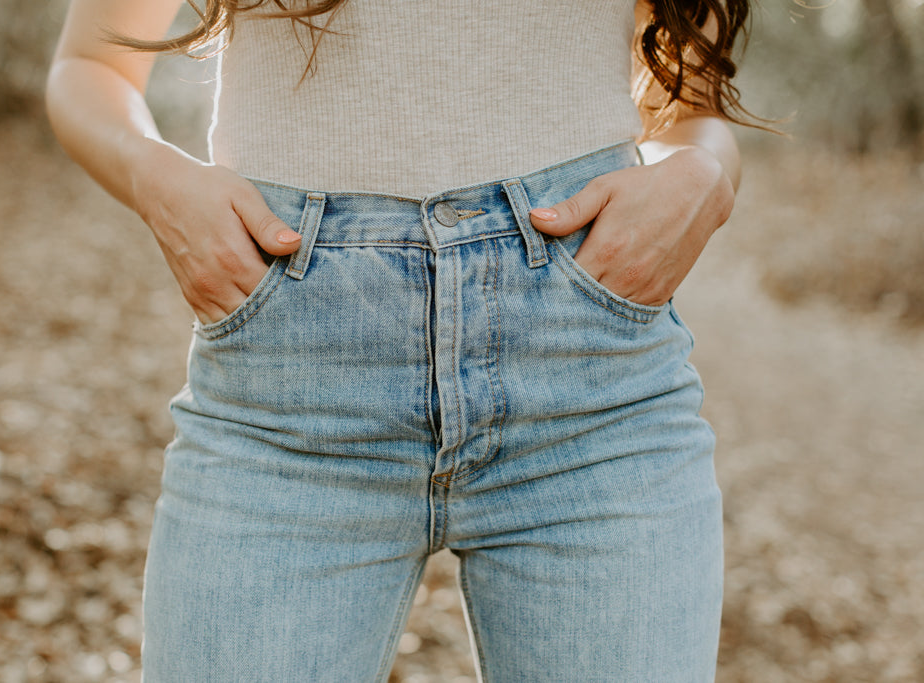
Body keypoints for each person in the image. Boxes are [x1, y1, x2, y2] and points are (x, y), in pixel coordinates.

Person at [46, 0, 753, 680]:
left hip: (591, 388)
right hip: (287, 397)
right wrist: (154, 177)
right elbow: (89, 66)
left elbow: (693, 110)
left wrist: (706, 174)